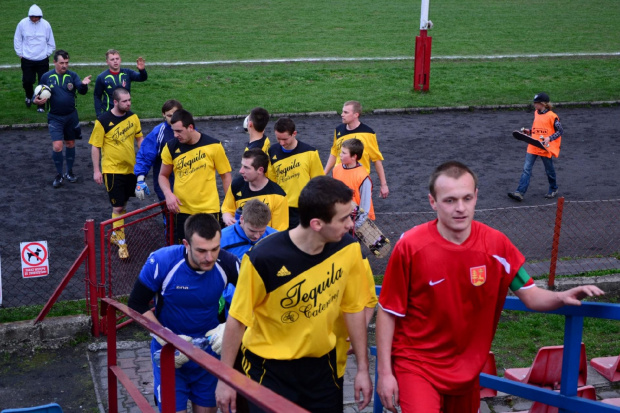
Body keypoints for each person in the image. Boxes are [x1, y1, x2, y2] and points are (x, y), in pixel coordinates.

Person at [376, 161, 604, 413]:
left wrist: (561, 296)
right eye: (450, 200)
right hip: (417, 365)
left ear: (476, 197)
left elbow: (531, 296)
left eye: (467, 198)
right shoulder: (411, 246)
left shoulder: (496, 245)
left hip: (467, 369)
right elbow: (388, 311)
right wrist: (386, 374)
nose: (460, 208)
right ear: (433, 202)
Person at [215, 176, 373, 413]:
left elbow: (353, 308)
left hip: (323, 369)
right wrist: (226, 380)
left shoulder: (349, 249)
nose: (350, 226)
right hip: (270, 371)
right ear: (317, 224)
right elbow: (237, 320)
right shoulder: (263, 258)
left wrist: (362, 369)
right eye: (343, 219)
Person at [128, 213, 240, 413]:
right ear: (186, 244)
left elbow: (253, 302)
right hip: (170, 352)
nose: (210, 257)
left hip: (209, 351)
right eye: (201, 251)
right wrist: (166, 337)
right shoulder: (162, 262)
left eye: (215, 249)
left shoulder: (229, 263)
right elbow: (136, 303)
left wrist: (227, 329)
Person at [159, 109, 232, 243]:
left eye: (179, 131)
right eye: (173, 131)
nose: (175, 135)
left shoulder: (214, 146)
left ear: (190, 127)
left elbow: (226, 176)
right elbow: (163, 175)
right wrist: (168, 193)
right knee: (186, 250)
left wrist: (228, 205)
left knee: (209, 247)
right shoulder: (170, 147)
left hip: (209, 209)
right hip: (182, 210)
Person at [89, 88, 143, 259]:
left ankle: (114, 234)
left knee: (124, 204)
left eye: (129, 100)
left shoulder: (133, 118)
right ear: (115, 102)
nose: (129, 103)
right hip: (112, 170)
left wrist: (143, 160)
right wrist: (97, 170)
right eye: (125, 101)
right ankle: (121, 243)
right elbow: (95, 146)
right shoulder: (103, 121)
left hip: (130, 169)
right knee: (118, 207)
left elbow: (139, 138)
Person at [34, 49, 91, 188]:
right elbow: (37, 93)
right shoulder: (46, 76)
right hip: (55, 117)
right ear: (54, 62)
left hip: (71, 116)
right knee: (58, 146)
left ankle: (69, 172)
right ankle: (59, 175)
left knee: (70, 143)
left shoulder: (72, 75)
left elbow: (82, 91)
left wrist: (84, 85)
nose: (64, 65)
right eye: (61, 63)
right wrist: (35, 101)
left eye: (66, 62)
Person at [267, 117, 324, 228]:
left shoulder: (310, 153)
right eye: (278, 139)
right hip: (281, 208)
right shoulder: (272, 152)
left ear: (294, 134)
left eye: (285, 139)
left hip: (303, 209)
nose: (281, 143)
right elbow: (272, 182)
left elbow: (319, 183)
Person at [324, 100, 389, 199]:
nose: (342, 115)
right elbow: (334, 153)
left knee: (360, 211)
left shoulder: (368, 133)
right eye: (342, 112)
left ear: (356, 115)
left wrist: (383, 185)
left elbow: (376, 160)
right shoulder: (338, 130)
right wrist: (324, 174)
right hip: (339, 179)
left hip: (358, 180)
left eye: (346, 112)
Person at [508, 93, 563, 202]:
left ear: (543, 104)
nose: (534, 105)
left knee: (549, 170)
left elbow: (560, 131)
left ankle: (553, 188)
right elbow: (538, 129)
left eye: (536, 103)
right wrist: (529, 131)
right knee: (526, 169)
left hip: (544, 147)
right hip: (533, 146)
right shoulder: (536, 113)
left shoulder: (552, 116)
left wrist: (550, 138)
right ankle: (520, 192)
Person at [221, 148, 289, 231]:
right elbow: (227, 209)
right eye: (242, 166)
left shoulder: (279, 196)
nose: (241, 171)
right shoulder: (236, 185)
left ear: (260, 170)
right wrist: (227, 218)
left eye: (246, 167)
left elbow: (278, 232)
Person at [134, 99, 184, 201]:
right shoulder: (158, 133)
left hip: (187, 182)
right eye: (169, 116)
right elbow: (145, 155)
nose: (173, 119)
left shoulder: (190, 129)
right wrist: (140, 179)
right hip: (167, 183)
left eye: (175, 115)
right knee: (170, 214)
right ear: (163, 115)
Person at [14, 4, 55, 112]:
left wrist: (47, 54)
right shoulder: (22, 24)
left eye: (37, 17)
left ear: (40, 16)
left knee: (43, 83)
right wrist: (20, 54)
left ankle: (40, 105)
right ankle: (28, 95)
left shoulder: (46, 25)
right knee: (27, 81)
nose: (34, 18)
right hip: (27, 59)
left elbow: (51, 42)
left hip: (42, 59)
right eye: (33, 16)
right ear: (29, 16)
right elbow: (17, 39)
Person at [332, 138, 375, 228]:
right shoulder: (336, 169)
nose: (340, 155)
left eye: (344, 153)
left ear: (354, 157)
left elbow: (365, 208)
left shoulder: (363, 177)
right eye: (341, 152)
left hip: (356, 224)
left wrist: (354, 227)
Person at [93, 49, 147, 117]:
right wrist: (99, 114)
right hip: (109, 113)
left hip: (125, 111)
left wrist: (142, 70)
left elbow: (142, 78)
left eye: (117, 59)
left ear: (120, 60)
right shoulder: (101, 77)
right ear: (107, 62)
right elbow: (97, 96)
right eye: (112, 59)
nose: (115, 61)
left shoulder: (127, 73)